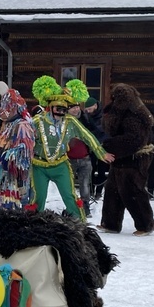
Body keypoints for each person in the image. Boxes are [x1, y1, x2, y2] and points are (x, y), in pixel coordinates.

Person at [31, 76, 112, 220]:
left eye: (64, 109)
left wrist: (101, 153)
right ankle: (32, 227)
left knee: (70, 196)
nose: (61, 112)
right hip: (39, 166)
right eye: (58, 108)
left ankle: (80, 227)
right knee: (38, 198)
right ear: (50, 107)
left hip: (60, 165)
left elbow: (88, 136)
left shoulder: (70, 122)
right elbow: (22, 138)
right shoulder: (37, 121)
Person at [97, 83, 154, 236]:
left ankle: (145, 224)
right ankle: (110, 223)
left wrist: (109, 145)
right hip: (121, 158)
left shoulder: (133, 115)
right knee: (112, 192)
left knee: (133, 191)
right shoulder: (122, 110)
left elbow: (135, 139)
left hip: (134, 158)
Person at [0, 88, 34, 209]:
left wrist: (5, 157)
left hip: (15, 179)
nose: (2, 109)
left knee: (14, 206)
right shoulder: (7, 125)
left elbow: (25, 151)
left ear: (14, 108)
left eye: (6, 106)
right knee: (0, 205)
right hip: (2, 176)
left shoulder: (22, 125)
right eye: (2, 106)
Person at [67, 102, 95, 217]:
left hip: (84, 157)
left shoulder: (85, 118)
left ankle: (85, 206)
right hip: (69, 159)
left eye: (77, 107)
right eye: (72, 107)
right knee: (68, 185)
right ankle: (71, 206)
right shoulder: (64, 121)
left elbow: (95, 133)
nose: (75, 110)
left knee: (84, 184)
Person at [84, 97, 108, 200]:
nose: (88, 111)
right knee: (91, 169)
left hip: (103, 146)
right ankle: (91, 191)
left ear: (95, 106)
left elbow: (103, 131)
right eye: (87, 110)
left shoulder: (105, 116)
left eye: (89, 109)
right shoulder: (87, 116)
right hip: (91, 147)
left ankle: (99, 192)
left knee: (102, 170)